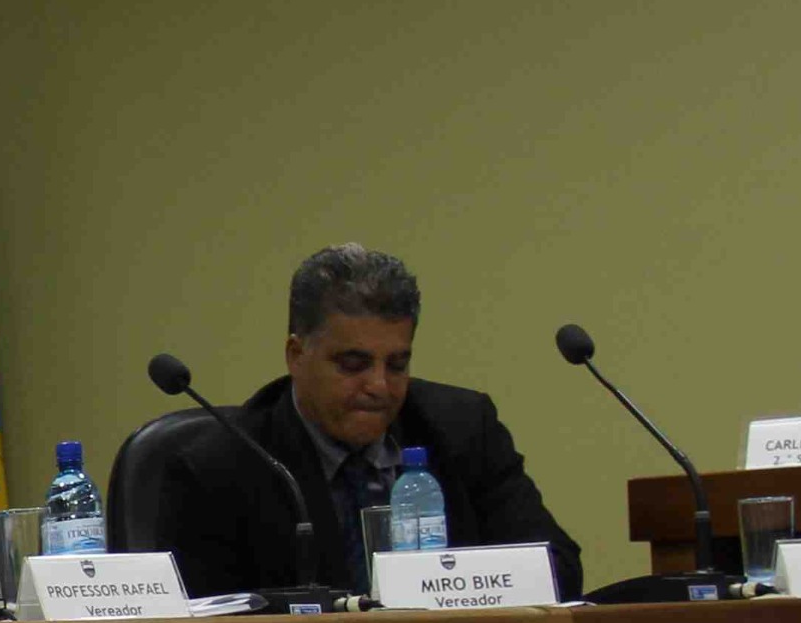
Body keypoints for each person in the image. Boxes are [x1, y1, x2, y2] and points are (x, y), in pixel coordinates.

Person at [156, 243, 583, 601]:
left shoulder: (463, 428)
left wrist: (453, 587)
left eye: (397, 365)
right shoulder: (220, 467)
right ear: (296, 355)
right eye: (353, 364)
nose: (379, 386)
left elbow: (557, 569)